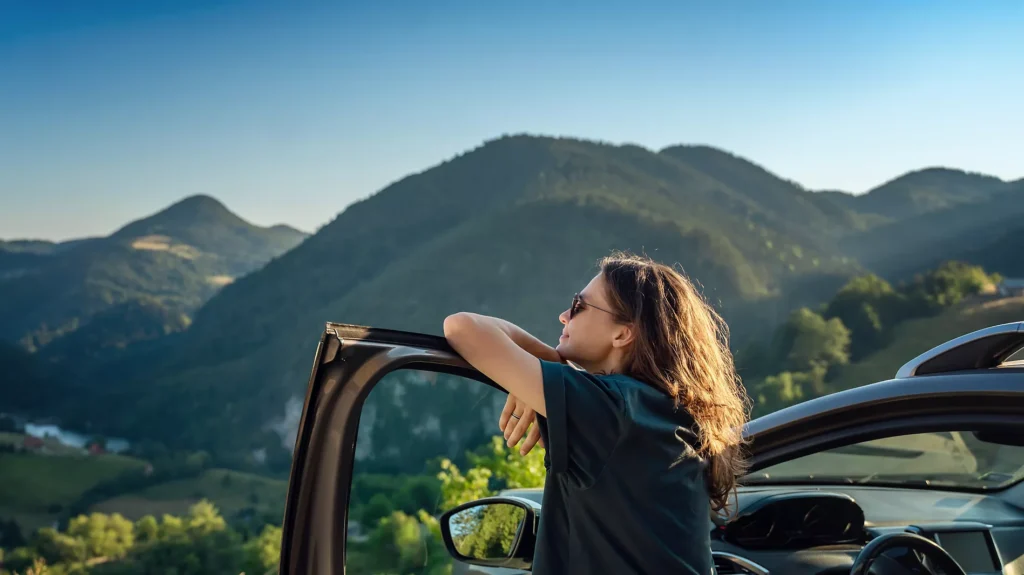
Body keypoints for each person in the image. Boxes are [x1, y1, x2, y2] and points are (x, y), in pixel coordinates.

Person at [443, 251, 751, 575]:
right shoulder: (666, 413)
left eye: (579, 306)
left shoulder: (612, 408)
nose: (564, 316)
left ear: (623, 333)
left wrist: (549, 368)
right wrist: (547, 375)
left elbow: (462, 328)